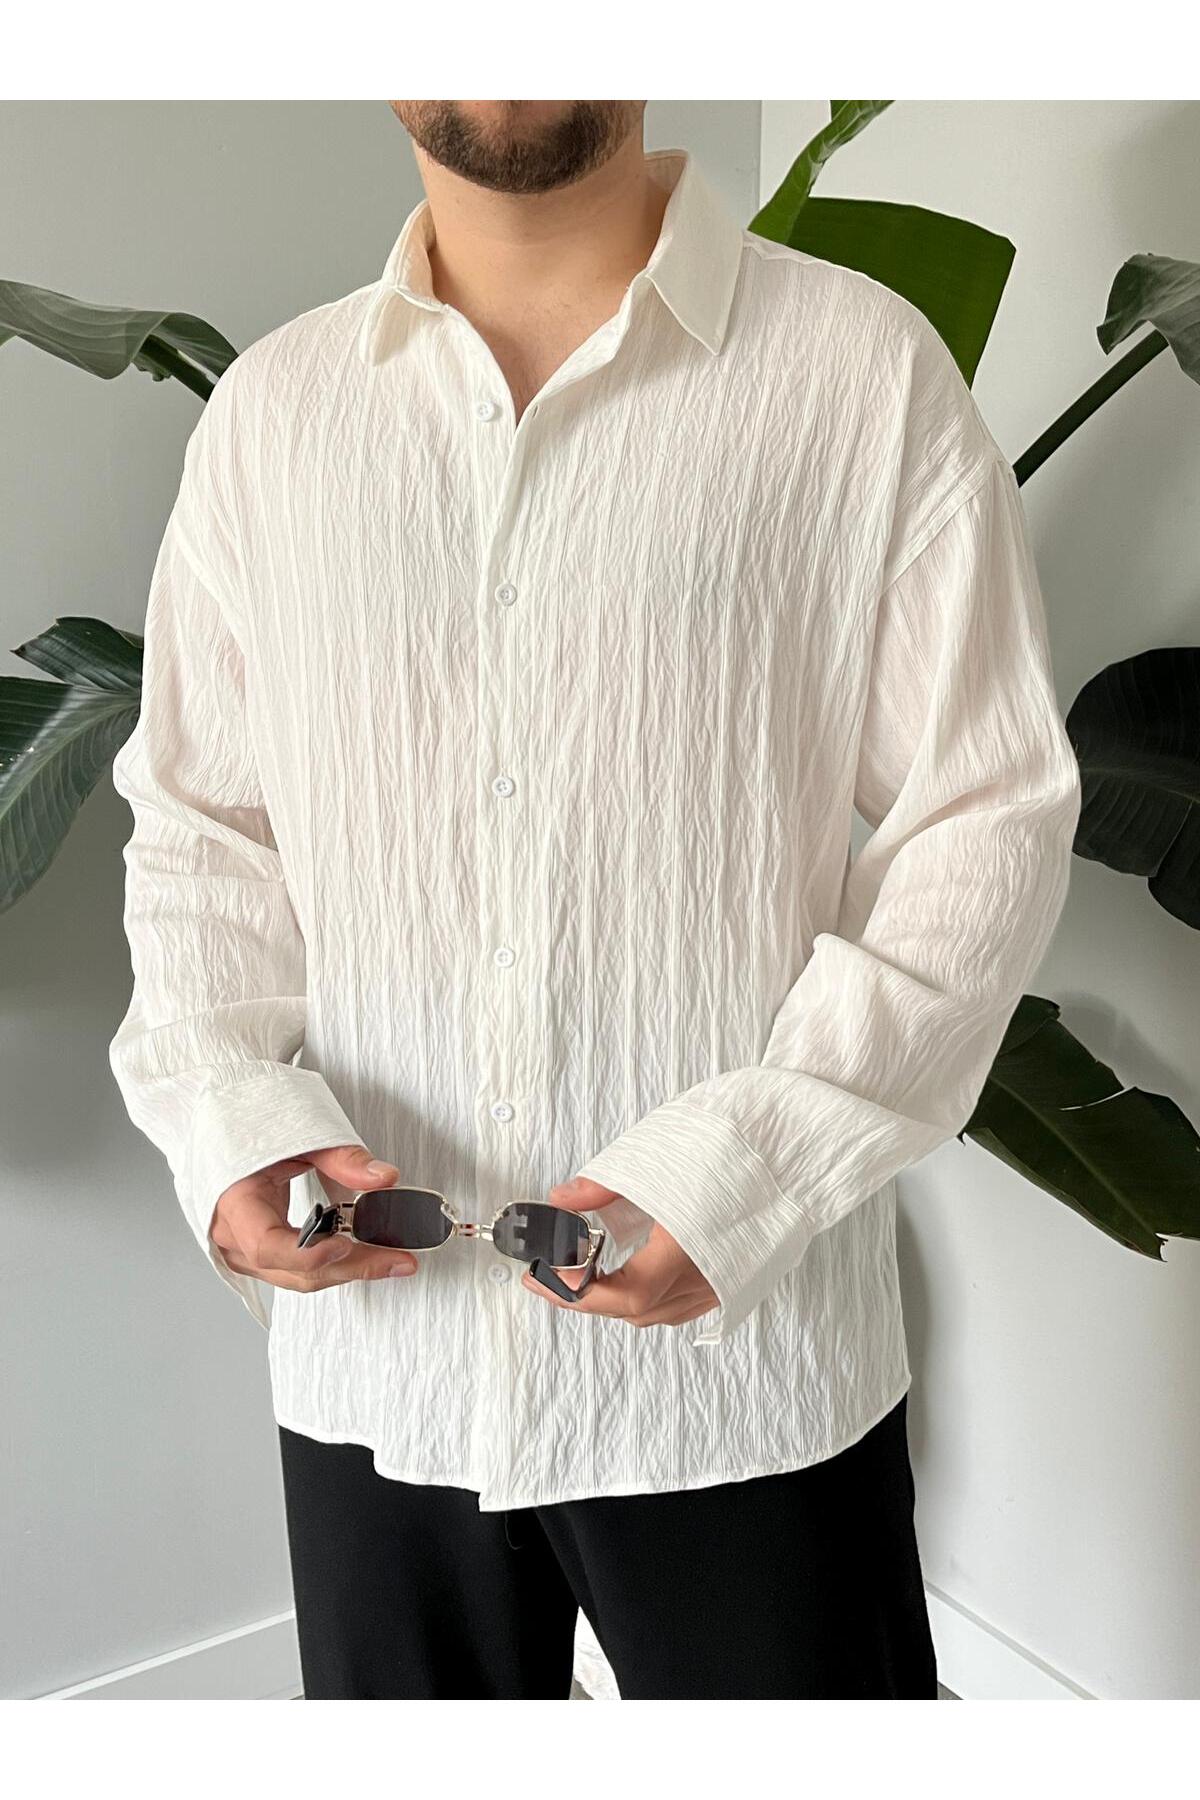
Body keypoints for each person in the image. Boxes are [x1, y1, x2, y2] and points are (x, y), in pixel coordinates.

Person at [108, 100, 1082, 1700]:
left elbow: (986, 813)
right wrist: (229, 1117)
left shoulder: (859, 375)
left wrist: (745, 1171)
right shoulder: (275, 417)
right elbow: (206, 826)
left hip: (741, 1364)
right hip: (383, 1360)